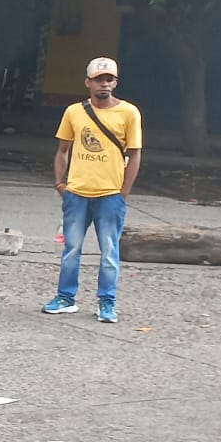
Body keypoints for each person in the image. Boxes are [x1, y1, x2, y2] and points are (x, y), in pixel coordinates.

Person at [43, 56, 142, 323]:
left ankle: (107, 303)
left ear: (116, 82)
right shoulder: (74, 112)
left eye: (109, 79)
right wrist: (60, 183)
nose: (104, 84)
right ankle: (65, 298)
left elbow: (135, 155)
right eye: (99, 79)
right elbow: (62, 150)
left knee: (109, 252)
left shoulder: (129, 113)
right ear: (88, 82)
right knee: (72, 249)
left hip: (110, 195)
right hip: (77, 193)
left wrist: (123, 193)